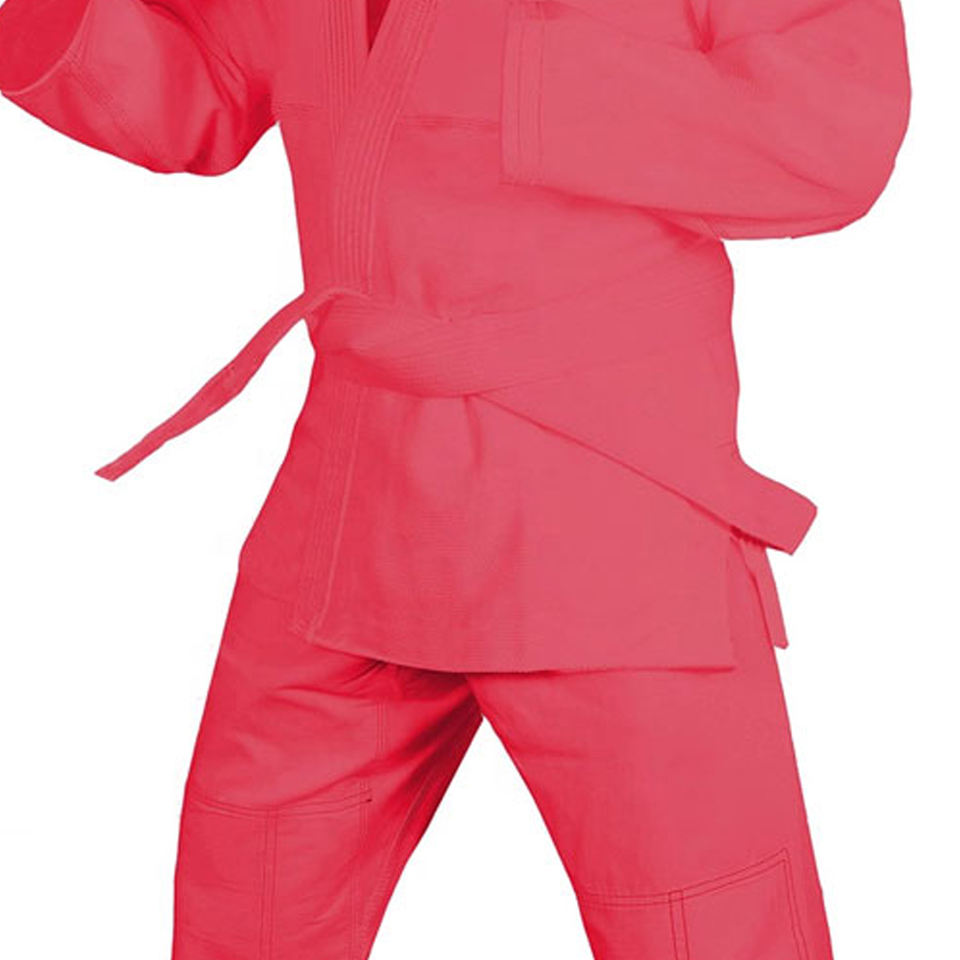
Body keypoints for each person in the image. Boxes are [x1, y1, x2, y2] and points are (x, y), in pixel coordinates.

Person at [0, 0, 911, 956]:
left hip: (605, 509)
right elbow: (208, 85)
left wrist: (535, 81)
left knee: (709, 922)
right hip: (350, 498)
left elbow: (829, 136)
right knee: (246, 901)